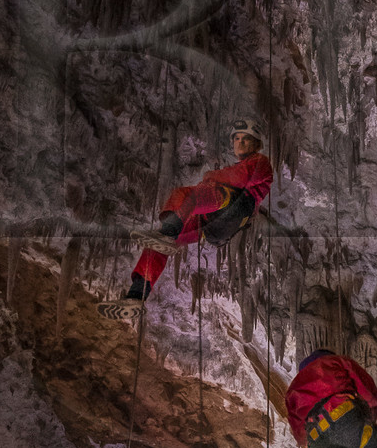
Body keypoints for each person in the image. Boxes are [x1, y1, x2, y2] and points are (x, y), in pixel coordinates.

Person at [112, 125, 273, 310]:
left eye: (246, 139)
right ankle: (137, 293)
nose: (240, 142)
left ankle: (169, 230)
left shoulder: (261, 162)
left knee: (190, 195)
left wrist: (211, 175)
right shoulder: (245, 164)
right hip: (211, 226)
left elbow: (238, 177)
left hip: (234, 209)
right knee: (159, 244)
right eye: (237, 139)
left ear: (256, 144)